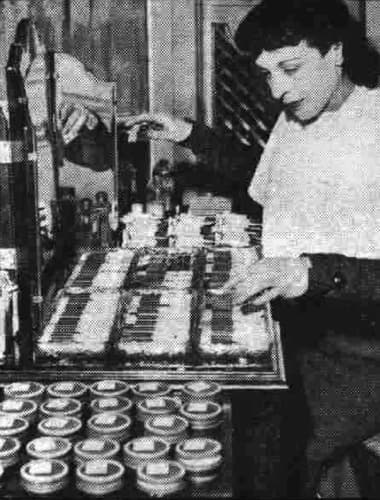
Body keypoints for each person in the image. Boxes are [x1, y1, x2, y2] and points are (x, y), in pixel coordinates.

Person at [122, 0, 380, 496]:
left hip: (358, 355)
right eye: (267, 75)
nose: (278, 88)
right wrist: (188, 134)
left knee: (260, 451)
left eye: (290, 68)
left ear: (337, 52)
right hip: (297, 331)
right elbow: (269, 180)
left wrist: (311, 272)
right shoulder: (300, 114)